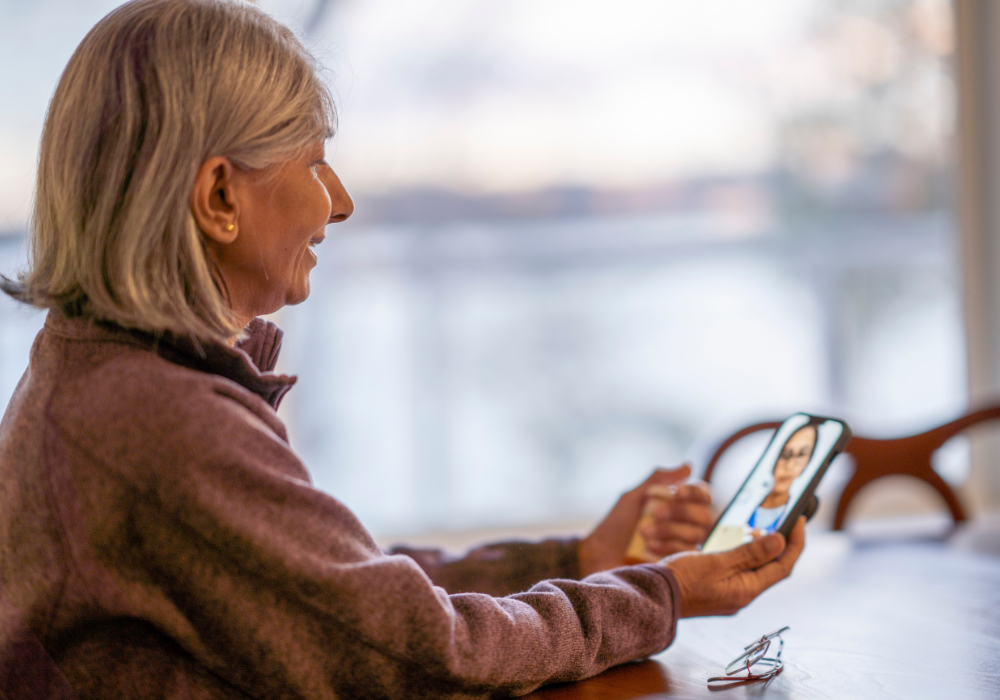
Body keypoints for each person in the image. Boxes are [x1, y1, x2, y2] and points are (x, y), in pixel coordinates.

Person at [0, 1, 805, 697]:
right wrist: (658, 596)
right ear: (219, 197)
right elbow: (420, 654)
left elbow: (339, 590)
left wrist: (579, 555)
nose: (339, 201)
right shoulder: (154, 416)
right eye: (315, 161)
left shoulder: (99, 373)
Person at [748, 425, 817, 536]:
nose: (789, 466)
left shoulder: (801, 509)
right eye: (785, 455)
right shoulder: (747, 501)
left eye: (801, 455)